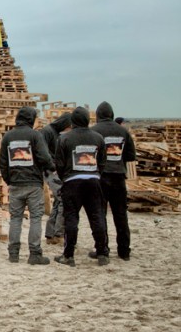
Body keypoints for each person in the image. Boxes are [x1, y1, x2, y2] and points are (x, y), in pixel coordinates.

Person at [0, 107, 55, 264]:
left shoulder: (8, 137)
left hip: (15, 184)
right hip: (33, 184)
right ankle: (35, 254)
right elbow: (44, 157)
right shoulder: (35, 135)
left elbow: (2, 162)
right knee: (36, 218)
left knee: (15, 218)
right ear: (32, 119)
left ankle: (13, 254)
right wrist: (52, 167)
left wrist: (8, 180)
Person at [54, 107, 109, 267]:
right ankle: (102, 253)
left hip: (72, 182)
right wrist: (96, 174)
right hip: (93, 181)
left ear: (73, 121)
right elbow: (103, 161)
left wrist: (66, 178)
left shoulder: (64, 139)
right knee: (97, 217)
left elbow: (59, 163)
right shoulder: (98, 138)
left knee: (71, 218)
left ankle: (68, 256)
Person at [91, 101, 137, 261]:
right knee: (120, 215)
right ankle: (124, 251)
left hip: (100, 177)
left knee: (100, 214)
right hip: (118, 176)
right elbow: (131, 156)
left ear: (98, 115)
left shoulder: (94, 131)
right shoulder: (123, 131)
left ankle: (102, 249)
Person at [40, 113, 72, 244]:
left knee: (59, 202)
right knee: (63, 199)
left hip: (54, 171)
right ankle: (58, 234)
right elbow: (43, 153)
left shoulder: (55, 132)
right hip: (50, 172)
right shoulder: (47, 132)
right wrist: (52, 168)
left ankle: (51, 234)